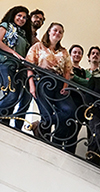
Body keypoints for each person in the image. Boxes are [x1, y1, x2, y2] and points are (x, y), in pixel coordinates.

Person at [26, 22, 78, 153]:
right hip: (42, 82)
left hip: (59, 84)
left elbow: (67, 71)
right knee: (46, 113)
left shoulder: (64, 51)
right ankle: (43, 147)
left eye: (60, 32)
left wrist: (65, 86)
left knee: (70, 110)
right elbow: (29, 66)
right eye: (55, 30)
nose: (57, 33)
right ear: (49, 31)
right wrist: (32, 85)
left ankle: (48, 134)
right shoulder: (38, 46)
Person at [0, 6, 32, 126]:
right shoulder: (6, 25)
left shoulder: (24, 34)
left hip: (18, 69)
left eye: (24, 17)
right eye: (19, 15)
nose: (22, 19)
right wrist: (13, 52)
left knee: (15, 98)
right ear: (13, 15)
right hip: (6, 63)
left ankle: (4, 122)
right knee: (12, 95)